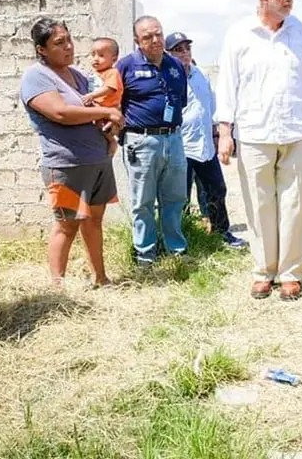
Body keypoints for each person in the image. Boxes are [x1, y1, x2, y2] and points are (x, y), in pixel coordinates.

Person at [216, 0, 302, 301]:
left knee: (295, 203)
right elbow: (227, 86)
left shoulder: (301, 31)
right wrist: (225, 131)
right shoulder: (239, 34)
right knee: (259, 203)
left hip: (296, 130)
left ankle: (291, 273)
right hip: (254, 131)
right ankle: (264, 270)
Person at [20, 18, 122, 287]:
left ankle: (100, 277)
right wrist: (105, 112)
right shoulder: (36, 76)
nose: (68, 47)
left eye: (68, 40)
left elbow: (100, 107)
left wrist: (111, 128)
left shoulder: (77, 76)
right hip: (66, 164)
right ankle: (57, 286)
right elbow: (60, 112)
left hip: (97, 159)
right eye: (58, 43)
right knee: (67, 225)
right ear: (41, 49)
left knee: (94, 221)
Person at [117, 16, 189, 265]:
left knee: (175, 198)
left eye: (158, 34)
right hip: (142, 142)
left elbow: (181, 101)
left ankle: (175, 250)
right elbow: (114, 105)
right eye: (147, 37)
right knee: (143, 201)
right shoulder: (125, 66)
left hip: (174, 139)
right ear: (137, 41)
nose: (155, 40)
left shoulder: (176, 66)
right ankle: (145, 255)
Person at [166, 31, 247, 249]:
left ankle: (222, 233)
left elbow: (210, 105)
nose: (184, 53)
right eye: (178, 50)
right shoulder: (167, 77)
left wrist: (217, 135)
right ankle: (182, 237)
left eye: (186, 48)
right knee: (180, 196)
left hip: (204, 145)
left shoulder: (199, 74)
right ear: (168, 54)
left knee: (217, 189)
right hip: (181, 146)